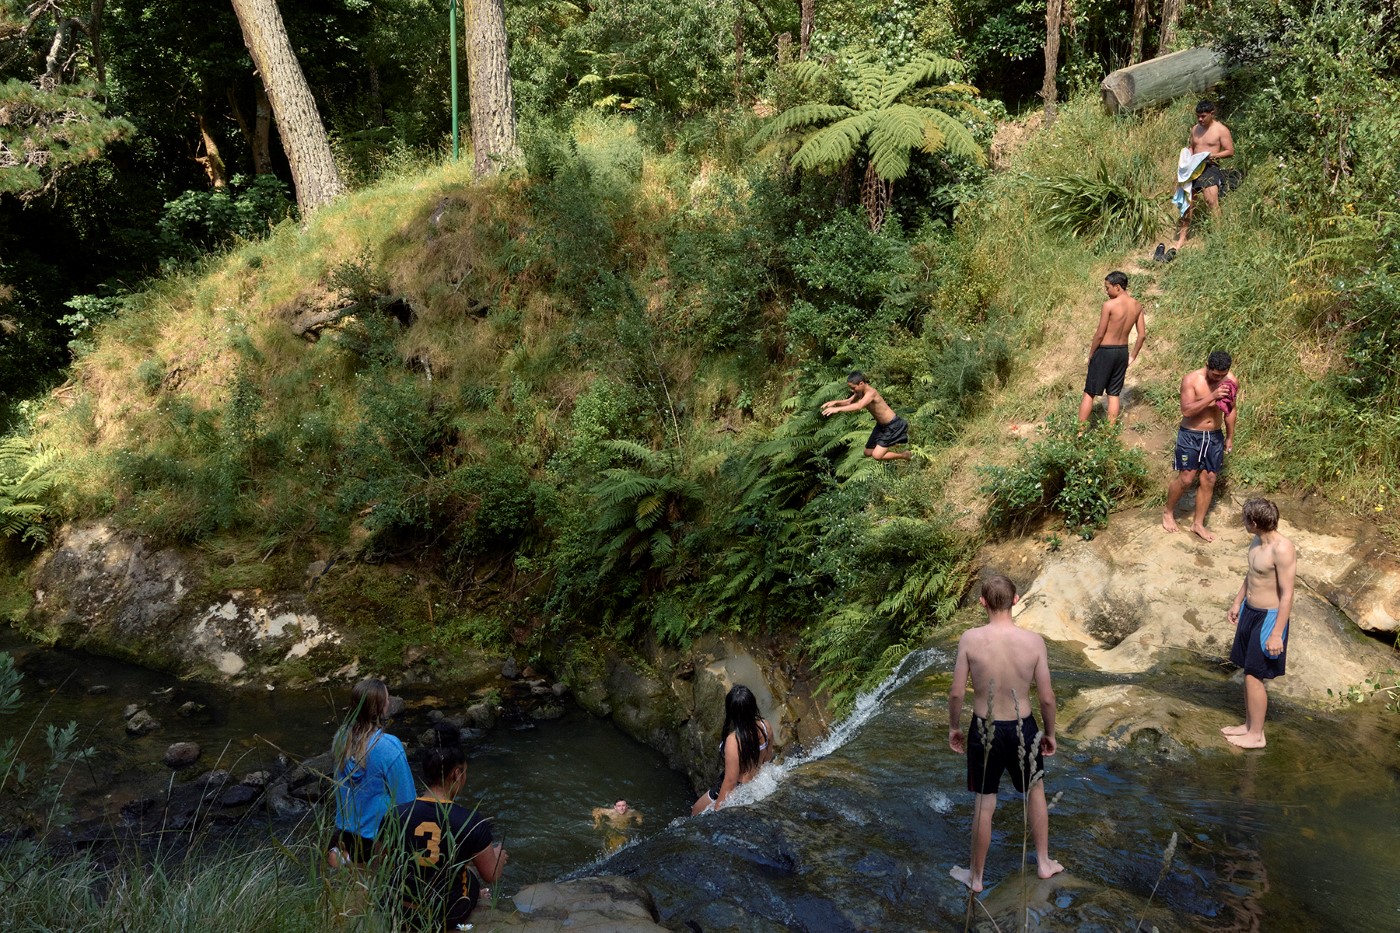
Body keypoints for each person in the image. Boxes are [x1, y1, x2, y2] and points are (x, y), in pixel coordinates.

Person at [948, 574, 1063, 892]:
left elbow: (957, 693)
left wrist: (954, 727)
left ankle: (976, 877)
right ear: (1015, 600)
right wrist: (1050, 733)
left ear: (982, 602)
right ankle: (1043, 863)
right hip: (1023, 727)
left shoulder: (970, 639)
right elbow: (1047, 696)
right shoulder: (1034, 641)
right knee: (1036, 792)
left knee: (985, 803)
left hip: (984, 727)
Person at [377, 724, 508, 931]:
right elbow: (492, 876)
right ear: (456, 773)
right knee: (472, 878)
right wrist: (498, 855)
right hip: (445, 914)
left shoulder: (395, 814)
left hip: (400, 908)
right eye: (464, 773)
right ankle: (476, 897)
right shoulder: (471, 821)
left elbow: (382, 862)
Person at [1222, 499, 1297, 750]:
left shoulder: (1282, 548)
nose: (1243, 523)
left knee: (1255, 675)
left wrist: (1277, 634)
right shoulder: (1257, 541)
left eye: (1245, 520)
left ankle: (1257, 735)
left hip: (1269, 618)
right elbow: (1252, 574)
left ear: (1254, 523)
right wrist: (1237, 602)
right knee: (1247, 670)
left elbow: (1287, 594)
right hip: (1249, 612)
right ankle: (1248, 725)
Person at [329, 678, 416, 867]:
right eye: (387, 698)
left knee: (349, 893)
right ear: (381, 707)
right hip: (378, 841)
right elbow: (407, 802)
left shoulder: (340, 738)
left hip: (343, 836)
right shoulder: (388, 746)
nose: (389, 701)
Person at [1162, 350, 1238, 542]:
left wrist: (1229, 437)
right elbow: (1187, 410)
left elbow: (1230, 409)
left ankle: (1198, 523)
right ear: (1207, 366)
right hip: (1191, 435)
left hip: (1214, 436)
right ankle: (1168, 512)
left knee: (1210, 479)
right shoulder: (1191, 380)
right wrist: (1212, 396)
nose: (1218, 378)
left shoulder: (1231, 381)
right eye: (1215, 375)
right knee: (1186, 478)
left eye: (1222, 375)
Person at [690, 684, 775, 815]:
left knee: (696, 810)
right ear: (753, 706)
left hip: (738, 787)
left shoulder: (733, 741)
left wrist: (718, 811)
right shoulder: (765, 726)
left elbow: (730, 781)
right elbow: (767, 760)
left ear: (731, 712)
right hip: (755, 784)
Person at [1077, 271, 1146, 425]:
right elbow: (1141, 335)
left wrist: (1091, 353)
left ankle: (1079, 432)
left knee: (1089, 393)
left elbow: (1100, 334)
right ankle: (1109, 434)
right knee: (1113, 394)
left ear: (1117, 287)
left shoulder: (1109, 305)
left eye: (1107, 288)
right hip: (1122, 352)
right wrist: (1133, 356)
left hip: (1105, 351)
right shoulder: (1137, 306)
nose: (1106, 292)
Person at [1167, 100, 1235, 256]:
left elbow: (1230, 151)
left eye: (1203, 116)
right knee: (1187, 206)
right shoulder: (1194, 129)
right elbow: (1192, 147)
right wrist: (1185, 159)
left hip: (1210, 168)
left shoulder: (1221, 130)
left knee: (1211, 201)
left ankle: (1218, 238)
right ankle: (1181, 240)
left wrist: (1213, 156)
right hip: (1193, 169)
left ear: (1212, 113)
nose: (1200, 120)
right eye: (1198, 116)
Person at [820, 371, 911, 461]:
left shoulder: (871, 393)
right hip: (881, 426)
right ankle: (890, 445)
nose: (852, 390)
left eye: (853, 388)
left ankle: (905, 455)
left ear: (861, 383)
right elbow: (849, 402)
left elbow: (859, 406)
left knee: (877, 456)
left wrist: (837, 409)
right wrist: (835, 403)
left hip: (893, 425)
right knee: (867, 452)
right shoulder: (860, 392)